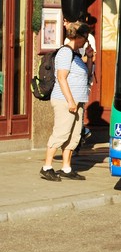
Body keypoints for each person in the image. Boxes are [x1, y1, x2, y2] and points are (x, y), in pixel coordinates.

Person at [40, 22, 93, 181]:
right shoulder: (65, 53)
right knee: (61, 133)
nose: (87, 41)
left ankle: (66, 168)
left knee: (74, 136)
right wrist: (70, 101)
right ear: (79, 37)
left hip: (78, 101)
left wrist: (89, 58)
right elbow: (61, 78)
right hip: (65, 100)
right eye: (86, 38)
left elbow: (88, 74)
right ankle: (47, 167)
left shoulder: (77, 55)